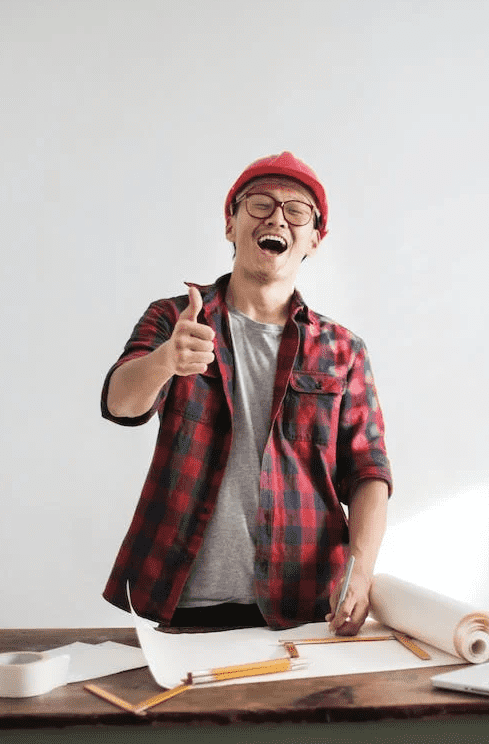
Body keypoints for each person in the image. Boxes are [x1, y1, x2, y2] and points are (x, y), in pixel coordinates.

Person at [100, 152, 392, 635]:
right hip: (188, 602)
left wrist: (361, 574)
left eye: (296, 211)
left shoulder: (343, 350)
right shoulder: (179, 321)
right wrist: (165, 361)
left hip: (307, 605)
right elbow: (120, 403)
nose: (276, 216)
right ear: (230, 225)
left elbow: (369, 473)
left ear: (314, 240)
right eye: (259, 204)